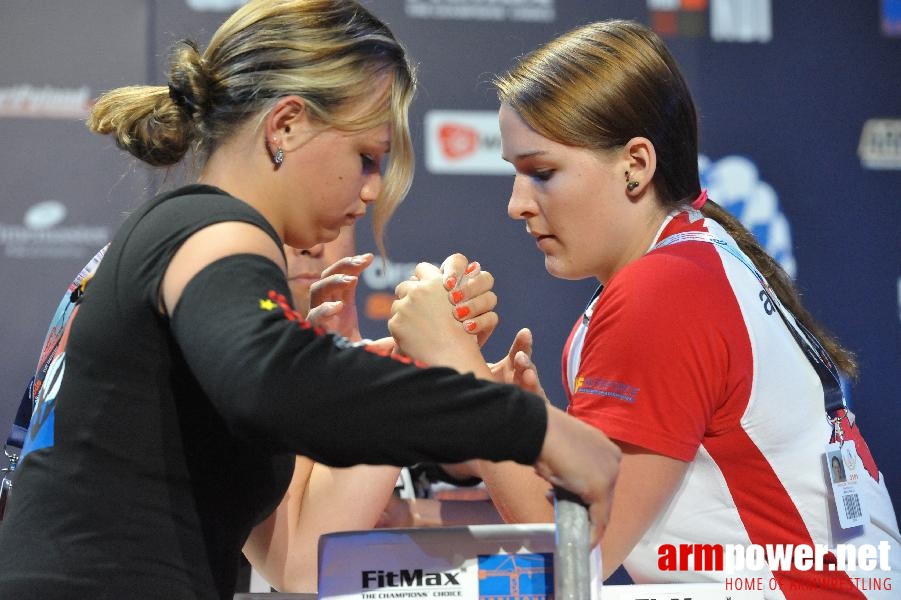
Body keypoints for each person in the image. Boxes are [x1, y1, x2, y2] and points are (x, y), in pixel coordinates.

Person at [0, 3, 622, 599]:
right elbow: (275, 381)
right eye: (366, 157)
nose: (372, 190)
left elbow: (299, 556)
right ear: (287, 125)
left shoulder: (189, 238)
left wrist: (415, 363)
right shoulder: (212, 229)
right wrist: (529, 426)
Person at [389, 19, 900, 599]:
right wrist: (509, 422)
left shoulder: (665, 291)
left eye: (543, 172)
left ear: (636, 164)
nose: (516, 204)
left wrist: (464, 378)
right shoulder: (688, 260)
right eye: (515, 172)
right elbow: (575, 526)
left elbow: (580, 557)